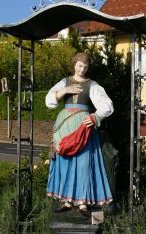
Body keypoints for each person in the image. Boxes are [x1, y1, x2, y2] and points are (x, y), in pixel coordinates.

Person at [45, 52, 114, 217]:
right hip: (64, 126)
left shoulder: (91, 84)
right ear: (74, 64)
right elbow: (49, 100)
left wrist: (96, 116)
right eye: (79, 65)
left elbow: (107, 104)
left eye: (85, 66)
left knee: (83, 164)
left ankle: (83, 202)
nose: (82, 69)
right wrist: (65, 90)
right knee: (65, 162)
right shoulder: (64, 81)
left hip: (83, 127)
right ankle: (67, 201)